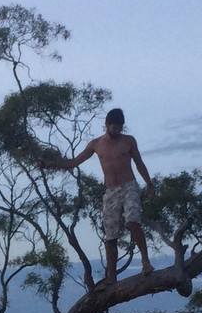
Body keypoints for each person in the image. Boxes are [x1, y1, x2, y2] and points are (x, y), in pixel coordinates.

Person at [44, 107, 155, 283]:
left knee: (133, 222)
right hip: (110, 191)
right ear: (107, 125)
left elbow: (139, 162)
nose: (117, 131)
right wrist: (51, 164)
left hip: (129, 186)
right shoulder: (96, 144)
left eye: (119, 128)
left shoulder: (129, 141)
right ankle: (111, 276)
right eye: (114, 127)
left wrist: (149, 183)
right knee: (110, 235)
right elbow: (75, 162)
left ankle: (146, 262)